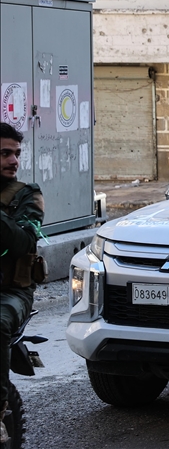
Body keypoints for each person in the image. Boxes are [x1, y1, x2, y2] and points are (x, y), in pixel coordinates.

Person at [1, 122, 45, 444]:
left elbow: (22, 242)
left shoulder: (26, 195)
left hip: (11, 291)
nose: (14, 160)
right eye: (5, 153)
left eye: (16, 153)